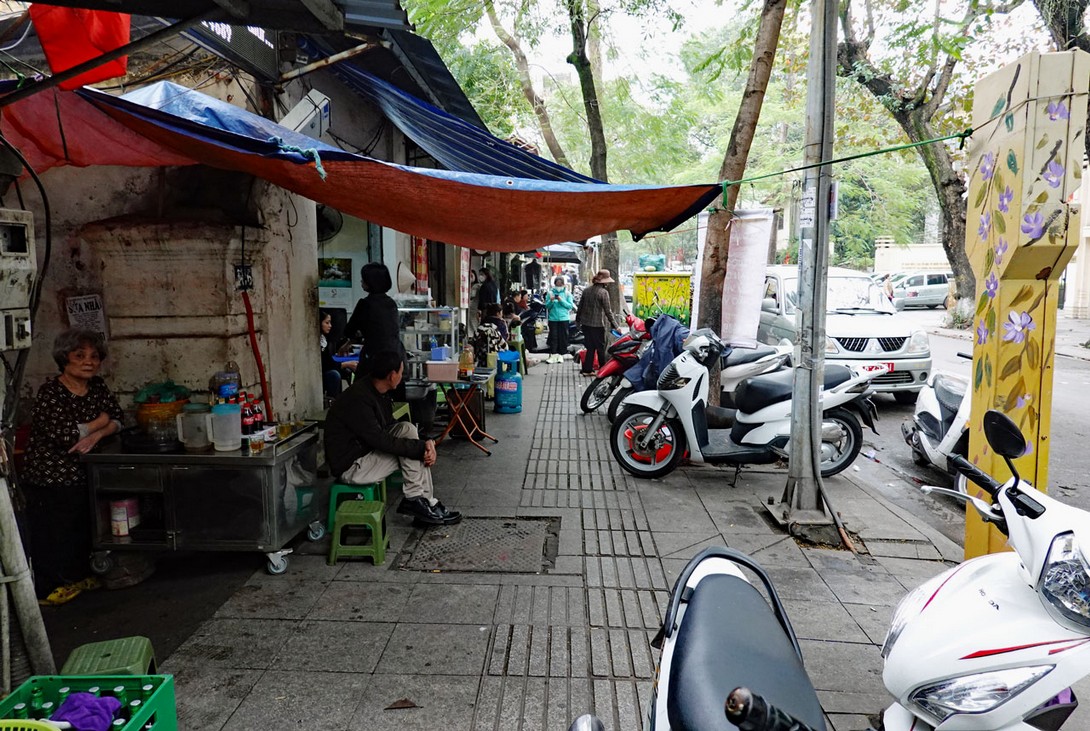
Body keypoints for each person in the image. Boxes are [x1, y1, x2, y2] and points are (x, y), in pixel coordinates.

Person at [22, 329, 124, 604]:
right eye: (79, 356)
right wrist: (100, 421)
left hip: (84, 474)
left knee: (81, 528)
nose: (88, 361)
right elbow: (66, 435)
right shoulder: (51, 393)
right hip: (50, 478)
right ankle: (48, 588)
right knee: (53, 533)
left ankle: (77, 577)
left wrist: (96, 434)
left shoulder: (97, 387)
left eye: (94, 356)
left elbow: (118, 417)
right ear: (64, 358)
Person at [323, 351, 461, 526]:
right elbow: (380, 439)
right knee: (413, 452)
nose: (402, 376)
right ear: (391, 375)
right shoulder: (359, 399)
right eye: (401, 372)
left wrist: (427, 442)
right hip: (352, 466)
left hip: (366, 452)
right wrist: (421, 448)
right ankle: (417, 500)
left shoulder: (377, 391)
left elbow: (390, 427)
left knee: (407, 429)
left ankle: (424, 502)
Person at [344, 263, 404, 367]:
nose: (361, 281)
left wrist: (348, 342)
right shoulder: (391, 303)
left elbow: (349, 331)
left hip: (375, 358)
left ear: (370, 282)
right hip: (396, 356)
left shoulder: (365, 304)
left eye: (364, 279)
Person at [576, 269, 621, 376]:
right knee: (600, 348)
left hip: (586, 324)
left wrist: (578, 321)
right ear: (604, 281)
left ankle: (587, 369)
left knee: (590, 347)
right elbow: (608, 312)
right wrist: (616, 326)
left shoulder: (586, 291)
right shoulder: (603, 293)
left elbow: (580, 308)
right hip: (597, 325)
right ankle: (603, 369)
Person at [320, 309, 356, 398]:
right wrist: (345, 364)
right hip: (323, 373)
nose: (330, 326)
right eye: (327, 323)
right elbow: (326, 363)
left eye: (330, 323)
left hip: (331, 367)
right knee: (334, 375)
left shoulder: (327, 340)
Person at [545, 275, 575, 364]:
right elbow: (547, 306)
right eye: (557, 284)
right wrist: (551, 300)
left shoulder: (567, 294)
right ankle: (553, 354)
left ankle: (561, 355)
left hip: (564, 318)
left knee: (563, 337)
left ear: (563, 284)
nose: (558, 286)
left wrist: (561, 300)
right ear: (554, 284)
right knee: (553, 337)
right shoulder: (550, 293)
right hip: (553, 319)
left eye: (560, 284)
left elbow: (570, 306)